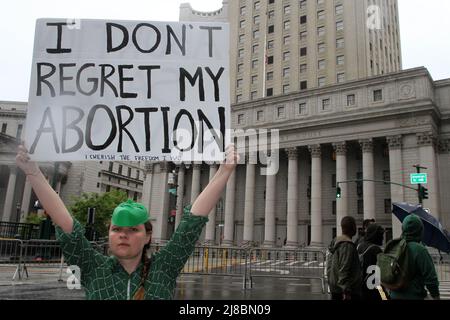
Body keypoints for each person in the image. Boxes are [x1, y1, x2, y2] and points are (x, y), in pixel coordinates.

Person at [16, 144, 238, 300]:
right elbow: (66, 226)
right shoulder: (94, 268)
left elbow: (192, 222)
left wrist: (225, 170)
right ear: (109, 233)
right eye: (117, 229)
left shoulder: (164, 268)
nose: (123, 234)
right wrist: (33, 172)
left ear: (148, 236)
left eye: (133, 229)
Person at [389, 214, 440, 300]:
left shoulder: (395, 246)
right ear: (420, 230)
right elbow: (431, 278)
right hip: (414, 296)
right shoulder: (420, 250)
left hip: (394, 295)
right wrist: (436, 296)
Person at [327, 216, 363, 300]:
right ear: (352, 227)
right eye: (355, 226)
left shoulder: (336, 241)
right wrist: (346, 291)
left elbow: (329, 266)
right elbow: (344, 268)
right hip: (345, 290)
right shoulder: (347, 245)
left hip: (335, 287)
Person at [357, 223, 385, 300]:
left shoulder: (360, 246)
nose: (382, 238)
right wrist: (384, 296)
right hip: (373, 289)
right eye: (381, 235)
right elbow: (379, 276)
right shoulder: (376, 249)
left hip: (360, 287)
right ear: (375, 236)